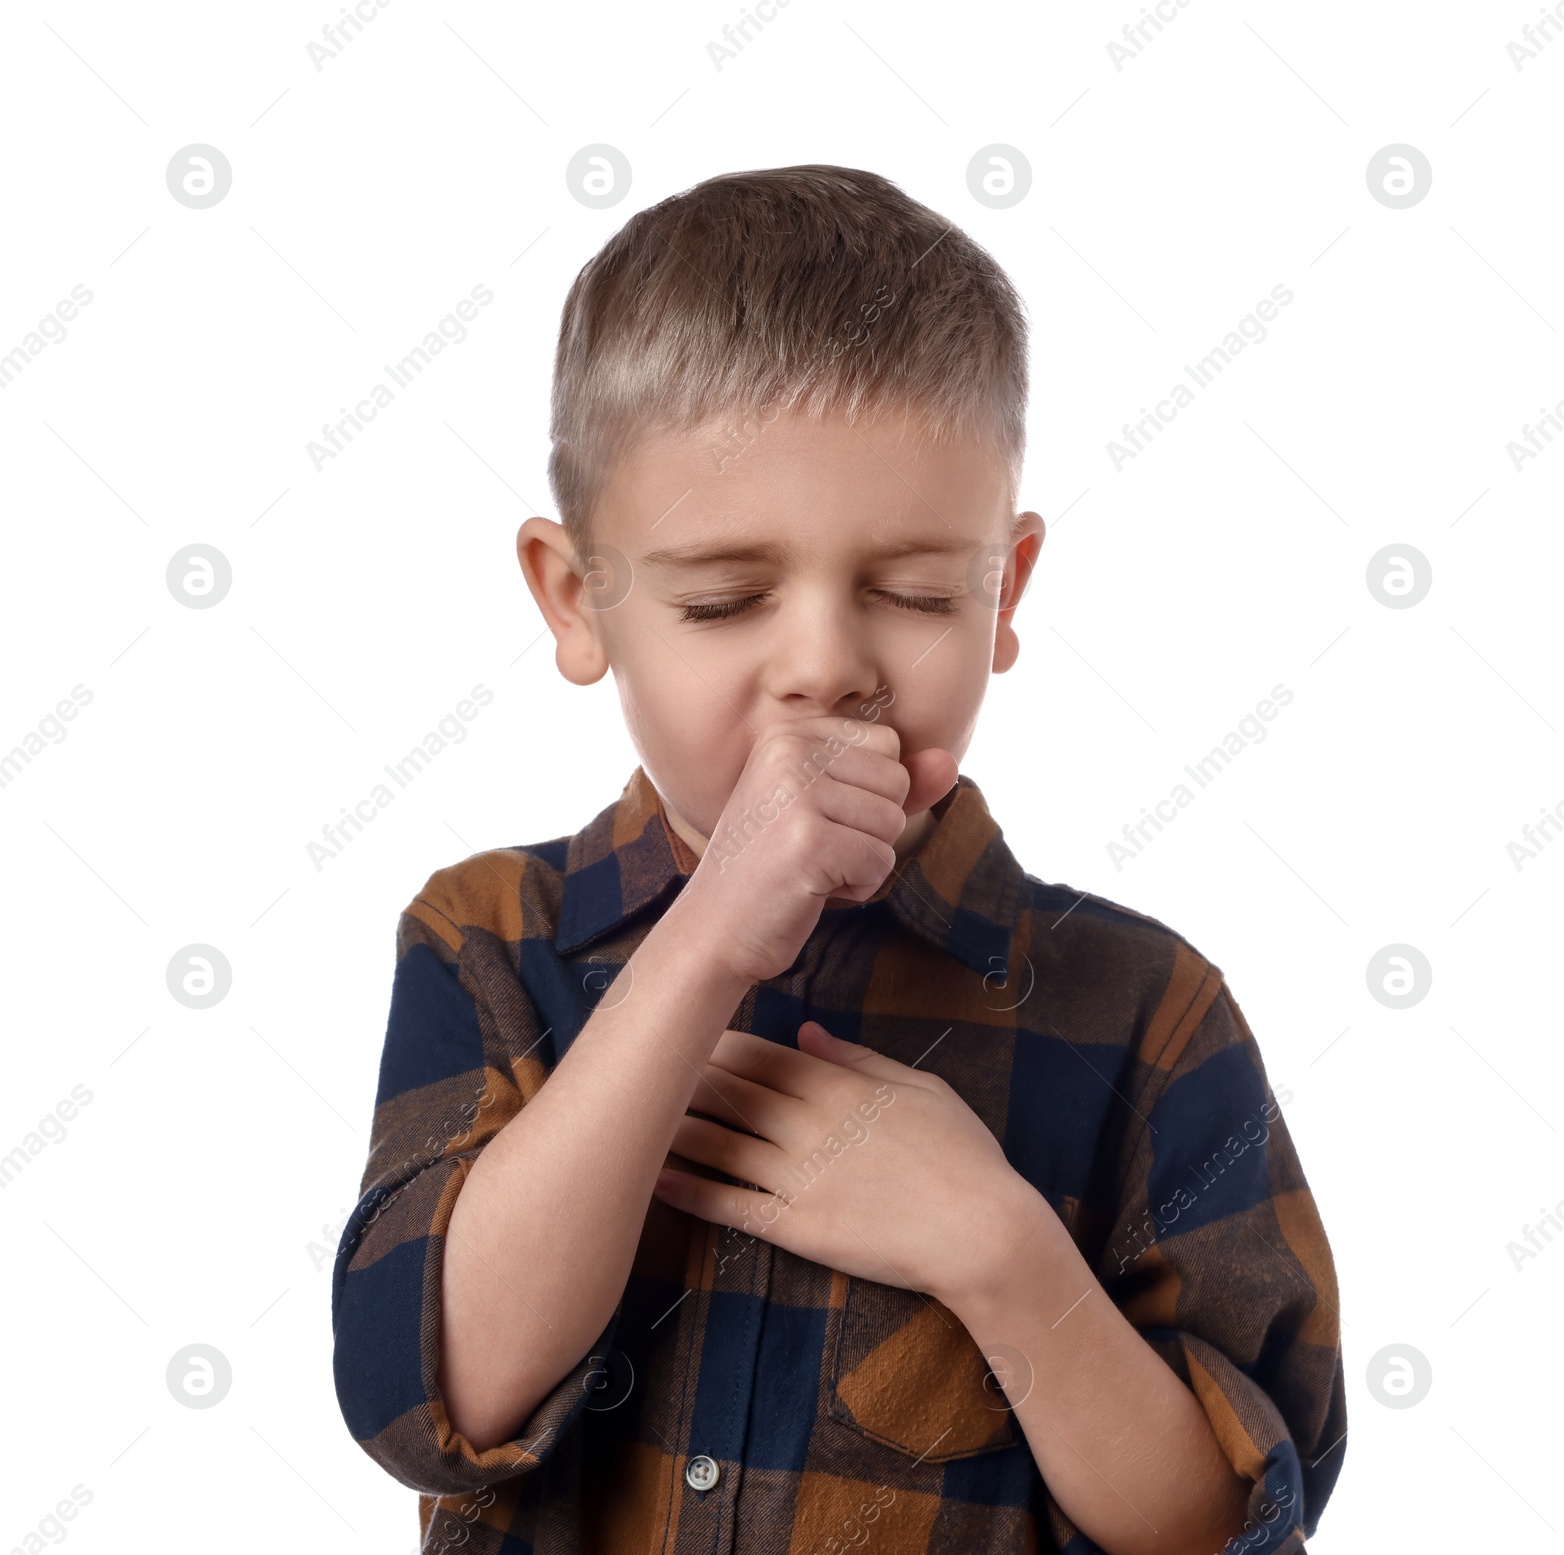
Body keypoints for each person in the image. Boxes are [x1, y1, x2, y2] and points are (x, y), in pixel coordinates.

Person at [331, 164, 1345, 1555]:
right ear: (580, 603)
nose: (825, 668)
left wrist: (995, 1250)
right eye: (727, 599)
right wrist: (701, 946)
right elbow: (423, 1396)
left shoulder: (1145, 1011)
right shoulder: (491, 936)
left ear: (1004, 594)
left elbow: (1233, 1526)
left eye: (916, 593)